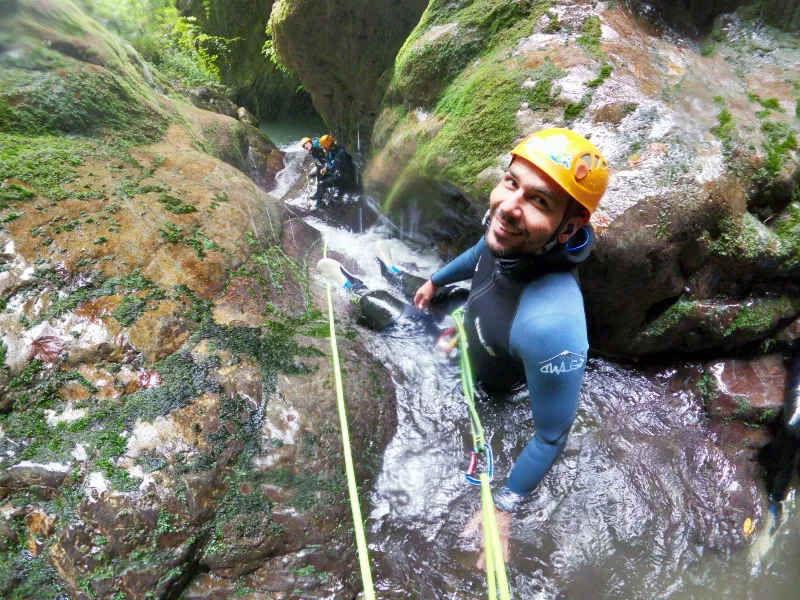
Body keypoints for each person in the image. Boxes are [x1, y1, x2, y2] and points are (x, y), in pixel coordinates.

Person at [412, 128, 608, 559]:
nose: (509, 207)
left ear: (568, 226)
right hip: (475, 341)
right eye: (511, 182)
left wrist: (504, 508)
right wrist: (435, 280)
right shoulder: (511, 238)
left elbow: (552, 436)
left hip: (501, 394)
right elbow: (481, 251)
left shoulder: (553, 323)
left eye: (539, 201)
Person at [311, 134, 357, 201]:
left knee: (321, 183)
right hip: (345, 172)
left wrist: (326, 156)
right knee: (321, 168)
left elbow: (333, 168)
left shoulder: (339, 154)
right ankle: (319, 194)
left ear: (328, 146)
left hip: (343, 177)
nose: (324, 149)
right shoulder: (338, 148)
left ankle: (319, 200)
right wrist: (326, 167)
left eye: (325, 148)